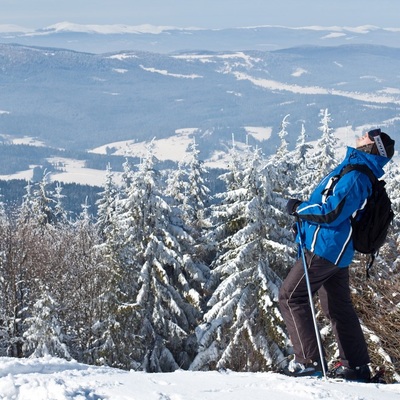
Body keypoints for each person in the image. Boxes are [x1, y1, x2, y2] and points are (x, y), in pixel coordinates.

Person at [279, 128, 395, 381]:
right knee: (338, 307)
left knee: (290, 296)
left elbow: (333, 212)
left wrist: (300, 209)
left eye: (368, 135)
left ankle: (307, 361)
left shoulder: (356, 176)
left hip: (326, 249)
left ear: (372, 147)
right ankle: (355, 366)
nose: (362, 134)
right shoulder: (354, 169)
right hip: (334, 250)